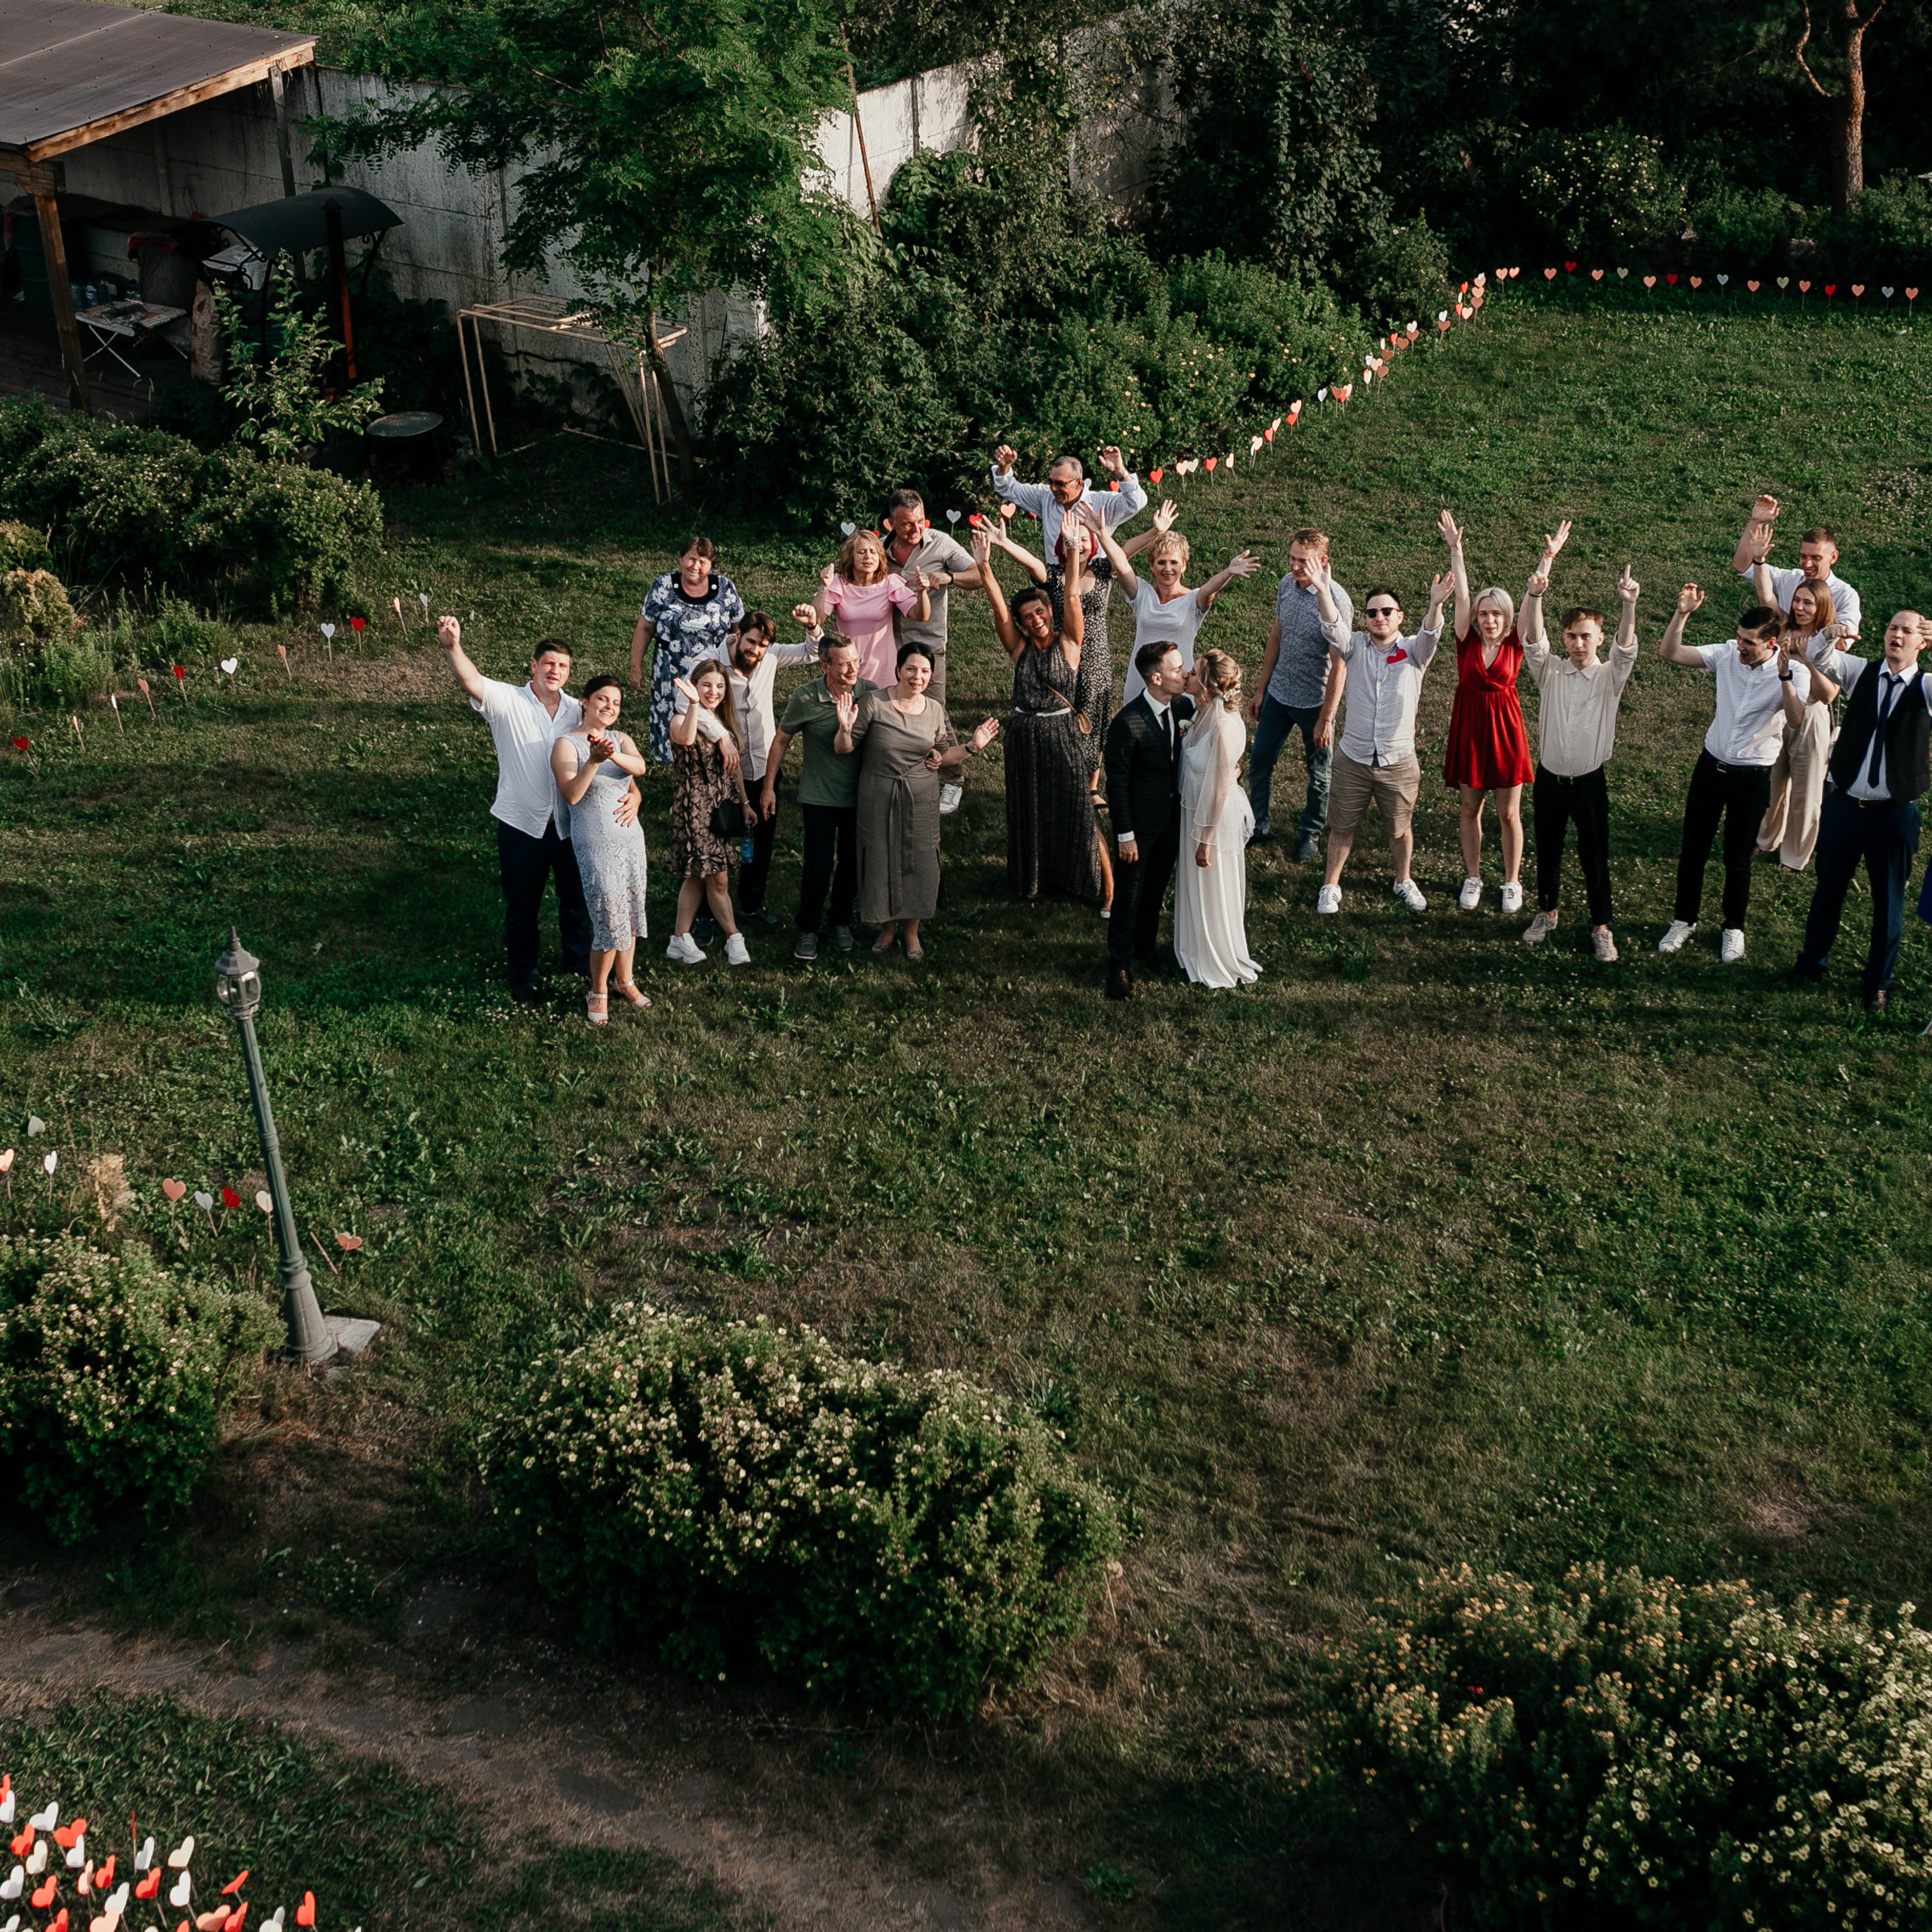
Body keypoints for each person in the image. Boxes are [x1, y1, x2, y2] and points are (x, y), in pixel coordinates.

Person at [439, 617, 638, 1004]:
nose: (555, 671)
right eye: (548, 664)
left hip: (569, 825)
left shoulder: (577, 712)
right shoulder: (507, 701)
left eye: (563, 666)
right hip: (521, 824)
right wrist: (452, 648)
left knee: (577, 901)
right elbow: (471, 681)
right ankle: (524, 978)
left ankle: (579, 961)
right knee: (522, 907)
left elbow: (616, 755)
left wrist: (637, 795)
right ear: (533, 666)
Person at [1782, 610, 1929, 1013]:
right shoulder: (1861, 670)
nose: (1896, 635)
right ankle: (1811, 963)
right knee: (1828, 890)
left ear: (1922, 642)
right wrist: (1829, 634)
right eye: (1892, 628)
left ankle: (1878, 982)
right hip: (1845, 806)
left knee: (1889, 901)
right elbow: (1820, 656)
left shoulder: (1926, 687)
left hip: (1894, 814)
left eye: (1907, 631)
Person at [1655, 588, 1812, 963]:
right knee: (1693, 850)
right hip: (1711, 769)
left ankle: (1733, 928)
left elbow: (1795, 720)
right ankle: (1683, 920)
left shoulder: (1796, 673)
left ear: (1770, 643)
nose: (1739, 646)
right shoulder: (1727, 654)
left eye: (1748, 642)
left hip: (1752, 777)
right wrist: (1682, 615)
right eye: (1739, 638)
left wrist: (1785, 676)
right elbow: (1670, 653)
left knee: (1737, 858)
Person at [1516, 532, 1641, 961]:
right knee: (1547, 850)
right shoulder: (1549, 672)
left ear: (1598, 639)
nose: (1578, 643)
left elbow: (1626, 651)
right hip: (1550, 779)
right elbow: (1533, 641)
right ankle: (1546, 912)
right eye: (1571, 636)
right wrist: (1536, 592)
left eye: (1586, 636)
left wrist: (1629, 605)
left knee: (1594, 855)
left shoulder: (1610, 677)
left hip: (1589, 783)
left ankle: (1601, 927)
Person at [840, 641, 999, 960]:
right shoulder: (874, 703)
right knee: (880, 858)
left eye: (925, 671)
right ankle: (886, 928)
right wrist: (844, 728)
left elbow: (942, 756)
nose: (918, 676)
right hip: (879, 796)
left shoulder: (935, 710)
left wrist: (972, 746)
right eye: (911, 669)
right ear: (898, 670)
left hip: (922, 799)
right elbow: (845, 749)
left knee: (921, 861)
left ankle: (911, 932)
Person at [1313, 568, 1454, 915]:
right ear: (1365, 619)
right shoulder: (1355, 646)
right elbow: (1332, 626)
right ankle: (1330, 885)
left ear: (1399, 617)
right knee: (1341, 828)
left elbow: (1432, 634)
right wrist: (1321, 589)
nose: (1379, 617)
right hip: (1353, 759)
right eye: (1372, 612)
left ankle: (1403, 880)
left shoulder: (1414, 651)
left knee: (1399, 829)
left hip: (1399, 762)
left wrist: (1435, 604)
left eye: (1386, 611)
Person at [975, 518, 1101, 904]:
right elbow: (999, 612)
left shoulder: (1070, 643)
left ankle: (1079, 881)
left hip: (1062, 736)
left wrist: (1073, 549)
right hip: (1024, 738)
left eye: (1040, 612)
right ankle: (1033, 881)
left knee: (1073, 806)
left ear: (1050, 610)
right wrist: (984, 567)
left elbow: (1073, 598)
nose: (1036, 619)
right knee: (1030, 808)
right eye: (1028, 616)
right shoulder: (1020, 649)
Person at [989, 444, 1146, 751]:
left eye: (1060, 483)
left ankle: (1088, 752)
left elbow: (1137, 501)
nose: (1053, 488)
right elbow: (1009, 489)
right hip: (1054, 583)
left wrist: (1120, 472)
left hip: (1093, 579)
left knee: (1089, 658)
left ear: (1079, 483)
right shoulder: (1046, 497)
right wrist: (1005, 468)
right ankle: (1052, 705)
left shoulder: (1099, 503)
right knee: (1056, 655)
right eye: (1051, 481)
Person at [684, 606, 820, 927]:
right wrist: (722, 738)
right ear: (737, 635)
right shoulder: (709, 662)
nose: (755, 650)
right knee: (713, 843)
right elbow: (686, 704)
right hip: (720, 772)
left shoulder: (769, 657)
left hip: (763, 770)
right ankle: (704, 914)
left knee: (761, 843)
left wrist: (813, 625)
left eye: (762, 645)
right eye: (751, 642)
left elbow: (811, 653)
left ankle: (751, 904)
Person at [1437, 509, 1537, 912]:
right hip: (1471, 727)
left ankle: (1512, 882)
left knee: (1508, 813)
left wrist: (1544, 565)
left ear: (1506, 617)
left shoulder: (1516, 641)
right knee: (1469, 808)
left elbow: (1533, 600)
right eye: (1484, 613)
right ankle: (1473, 876)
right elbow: (1461, 595)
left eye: (1496, 613)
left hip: (1506, 730)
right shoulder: (1465, 640)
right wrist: (1455, 550)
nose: (1490, 619)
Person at [761, 632, 878, 961]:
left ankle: (840, 921)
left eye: (855, 661)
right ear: (825, 665)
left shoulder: (869, 694)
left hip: (859, 797)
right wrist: (769, 787)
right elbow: (781, 740)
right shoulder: (806, 698)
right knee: (818, 866)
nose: (853, 669)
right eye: (843, 665)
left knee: (851, 866)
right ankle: (808, 929)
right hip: (819, 798)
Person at [549, 675, 651, 1021]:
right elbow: (572, 796)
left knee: (632, 911)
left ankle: (626, 979)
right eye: (603, 700)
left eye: (616, 703)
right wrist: (593, 759)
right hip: (595, 841)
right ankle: (598, 990)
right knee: (609, 917)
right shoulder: (567, 745)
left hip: (629, 838)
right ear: (585, 701)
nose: (610, 707)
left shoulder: (621, 739)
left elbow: (639, 768)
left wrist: (631, 788)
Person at [1247, 527, 1351, 863]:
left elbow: (1340, 666)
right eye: (1292, 558)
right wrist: (1262, 689)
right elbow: (1276, 635)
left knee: (1319, 773)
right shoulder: (1285, 586)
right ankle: (1257, 824)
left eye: (1303, 561)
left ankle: (1310, 833)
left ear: (1322, 562)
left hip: (1314, 702)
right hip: (1279, 694)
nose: (1294, 566)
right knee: (1260, 761)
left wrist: (1326, 719)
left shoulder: (1337, 601)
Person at [1089, 506, 1260, 708]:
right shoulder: (1142, 593)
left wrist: (1228, 572)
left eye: (1174, 562)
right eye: (1161, 562)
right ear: (1152, 566)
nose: (1168, 569)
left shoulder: (1193, 600)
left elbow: (1209, 590)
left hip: (1180, 682)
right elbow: (1121, 564)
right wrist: (1101, 534)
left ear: (1184, 565)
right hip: (1141, 678)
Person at [1101, 639, 1196, 998]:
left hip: (1171, 822)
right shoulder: (1129, 722)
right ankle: (1119, 964)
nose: (1184, 673)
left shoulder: (1183, 706)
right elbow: (1118, 783)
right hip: (1139, 828)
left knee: (1155, 891)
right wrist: (1125, 835)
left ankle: (1146, 948)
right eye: (1176, 669)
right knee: (1129, 896)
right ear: (1156, 678)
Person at [1747, 540, 1843, 872]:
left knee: (1805, 790)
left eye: (1808, 604)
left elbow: (1829, 694)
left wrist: (1806, 658)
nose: (1801, 608)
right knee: (1773, 781)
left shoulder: (1828, 644)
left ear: (1821, 609)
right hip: (1780, 712)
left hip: (1812, 718)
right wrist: (1759, 560)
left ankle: (1795, 856)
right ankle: (1765, 839)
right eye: (1798, 601)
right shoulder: (1783, 626)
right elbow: (1766, 597)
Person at [1175, 649, 1261, 989]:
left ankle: (1215, 956)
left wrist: (1205, 840)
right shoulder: (1202, 713)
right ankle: (1192, 947)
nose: (1186, 675)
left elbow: (1219, 791)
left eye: (1193, 674)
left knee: (1212, 885)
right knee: (1192, 886)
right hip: (1192, 810)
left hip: (1209, 818)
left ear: (1208, 686)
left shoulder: (1224, 727)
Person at [665, 665, 753, 968]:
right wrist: (691, 704)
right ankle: (733, 937)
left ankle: (678, 939)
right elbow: (687, 739)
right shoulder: (680, 719)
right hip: (694, 806)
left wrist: (744, 802)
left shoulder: (721, 722)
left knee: (698, 877)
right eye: (706, 685)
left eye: (719, 687)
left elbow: (734, 767)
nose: (713, 692)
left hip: (720, 805)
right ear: (694, 686)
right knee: (717, 878)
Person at [629, 536, 746, 764]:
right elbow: (645, 627)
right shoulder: (663, 586)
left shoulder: (725, 588)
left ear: (711, 566)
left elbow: (739, 630)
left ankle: (711, 760)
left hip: (709, 672)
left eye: (703, 561)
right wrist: (636, 668)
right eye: (691, 559)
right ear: (681, 559)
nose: (696, 566)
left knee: (710, 716)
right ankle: (674, 766)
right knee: (673, 717)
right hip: (669, 671)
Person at [883, 489, 982, 712]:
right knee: (890, 712)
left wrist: (950, 577)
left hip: (928, 646)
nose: (916, 529)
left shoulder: (941, 544)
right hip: (889, 646)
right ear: (891, 523)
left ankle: (954, 748)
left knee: (934, 713)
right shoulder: (878, 551)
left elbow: (979, 576)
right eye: (907, 524)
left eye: (920, 521)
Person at [1730, 493, 1863, 635]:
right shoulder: (1789, 578)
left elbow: (1843, 642)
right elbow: (1743, 567)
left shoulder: (1845, 595)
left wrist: (1794, 642)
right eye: (1803, 556)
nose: (1807, 564)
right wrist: (1756, 522)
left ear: (1833, 557)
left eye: (1816, 558)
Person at [817, 528, 930, 689]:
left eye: (873, 552)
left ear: (880, 557)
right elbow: (817, 620)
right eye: (861, 552)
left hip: (883, 669)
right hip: (846, 667)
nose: (868, 557)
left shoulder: (890, 583)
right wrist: (824, 587)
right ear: (851, 557)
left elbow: (921, 616)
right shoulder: (839, 583)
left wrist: (922, 592)